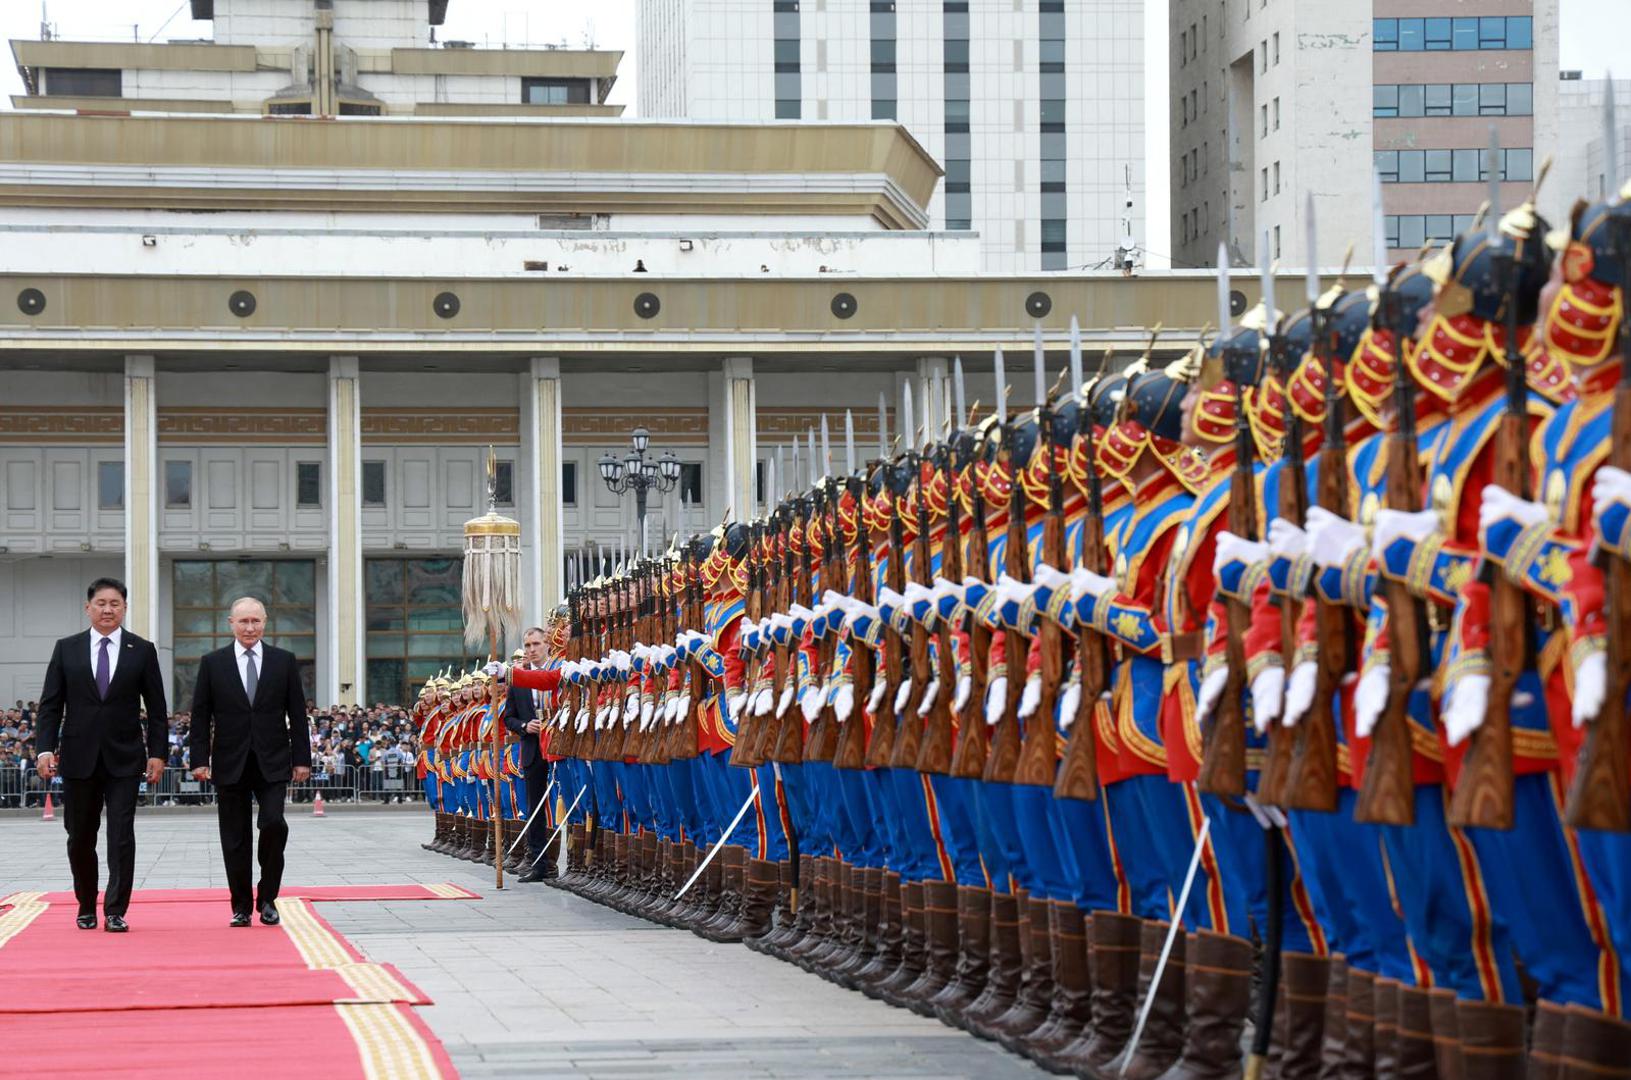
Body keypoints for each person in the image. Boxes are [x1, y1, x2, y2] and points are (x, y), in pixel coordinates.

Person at [33, 577, 169, 932]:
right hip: (78, 757)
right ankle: (85, 903)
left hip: (125, 757)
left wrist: (158, 753)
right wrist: (45, 748)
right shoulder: (67, 649)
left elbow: (156, 708)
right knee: (80, 836)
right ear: (88, 607)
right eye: (101, 603)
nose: (108, 609)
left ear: (124, 608)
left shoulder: (141, 650)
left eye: (115, 604)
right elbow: (50, 705)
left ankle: (115, 909)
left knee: (121, 834)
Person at [187, 596, 312, 927]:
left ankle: (267, 896)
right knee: (235, 837)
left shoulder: (283, 661)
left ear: (265, 622)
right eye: (243, 621)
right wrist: (199, 758)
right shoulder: (213, 663)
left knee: (273, 824)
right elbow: (200, 715)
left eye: (255, 621)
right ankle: (240, 905)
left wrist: (302, 758)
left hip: (273, 761)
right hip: (230, 761)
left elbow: (297, 714)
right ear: (231, 624)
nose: (249, 627)